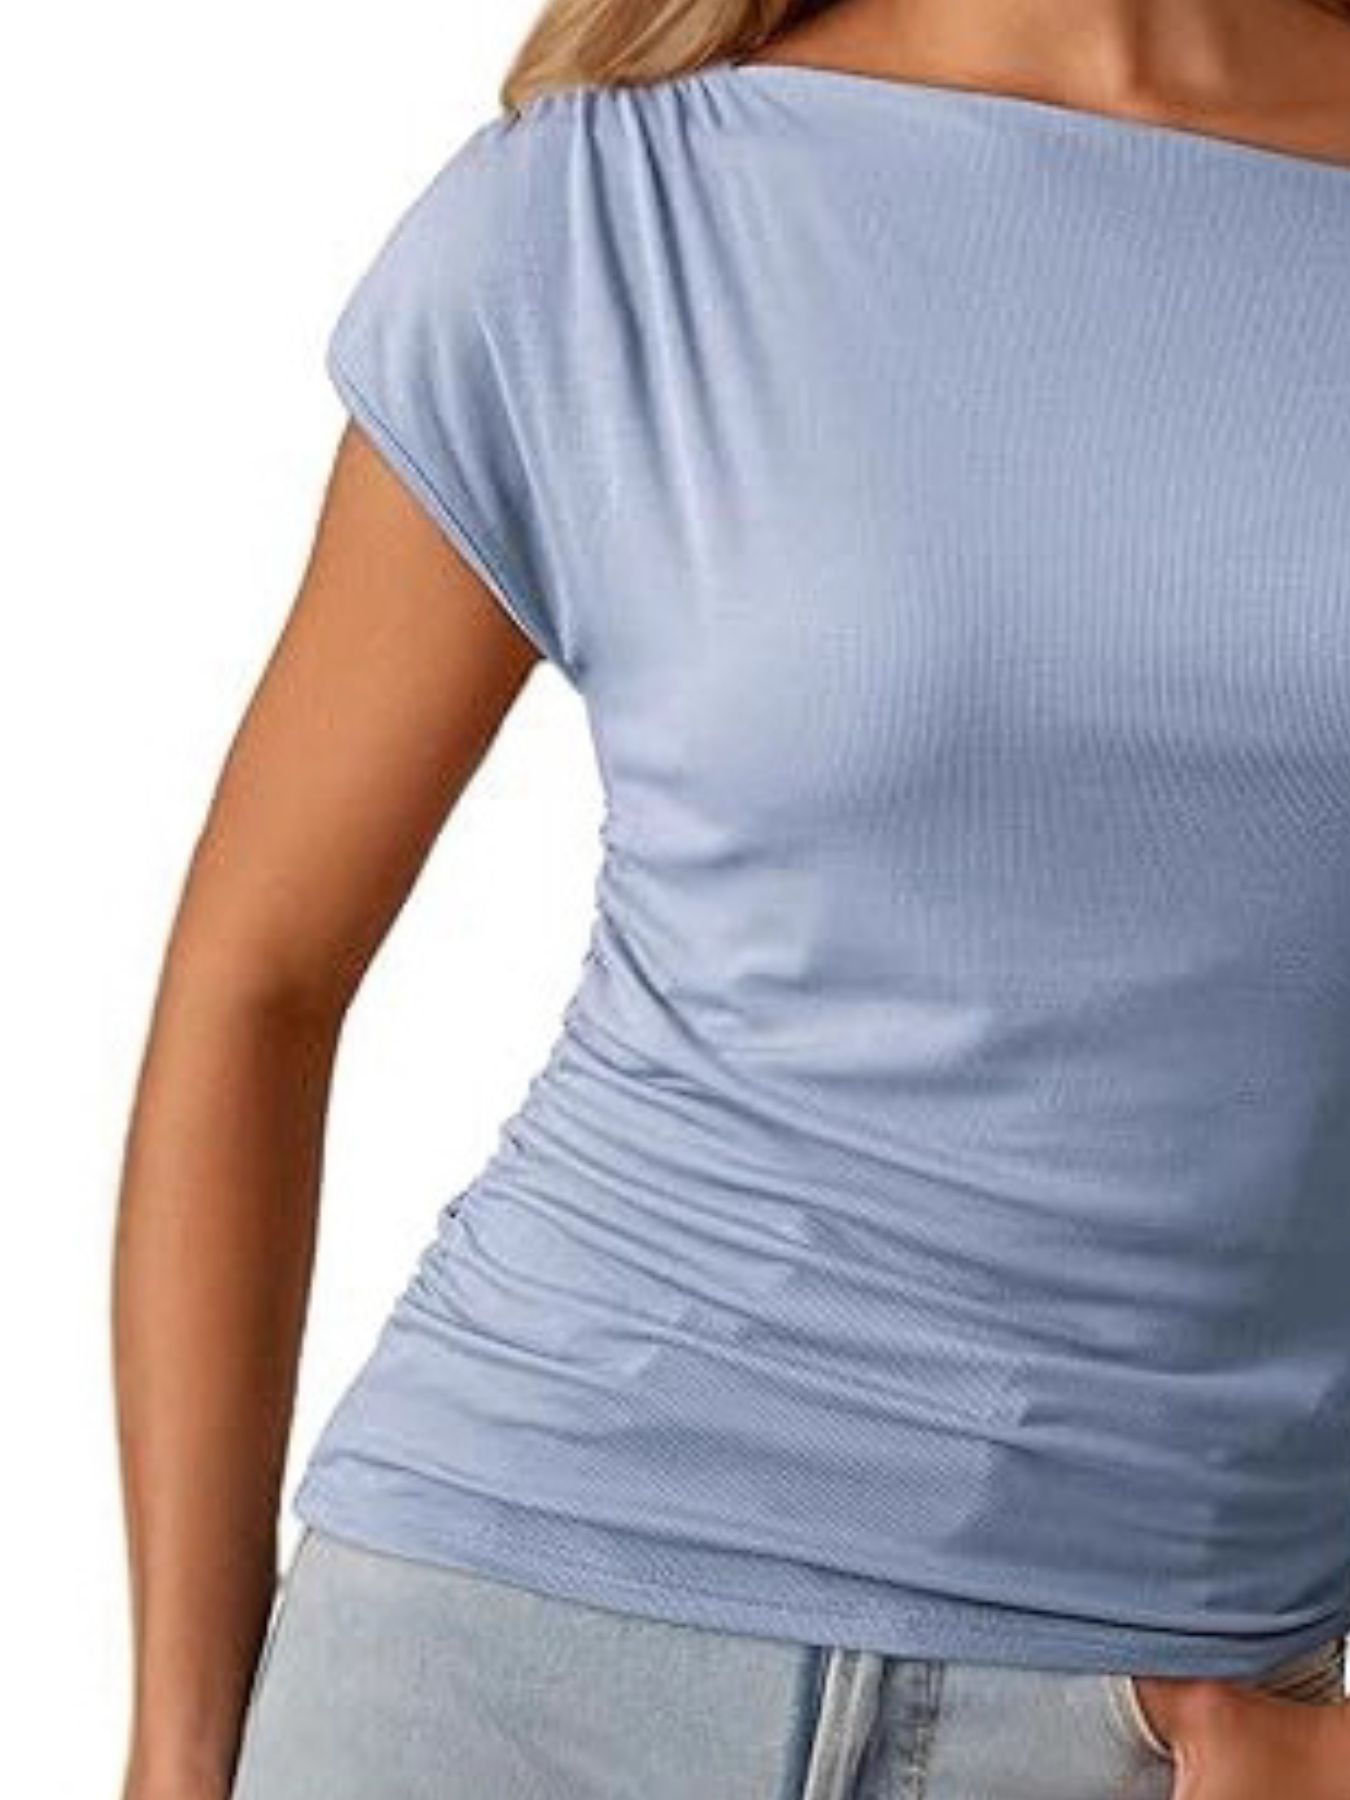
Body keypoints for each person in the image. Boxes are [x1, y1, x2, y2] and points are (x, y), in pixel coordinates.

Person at [112, 0, 1350, 1795]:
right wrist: (176, 1754)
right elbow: (260, 979)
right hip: (498, 1660)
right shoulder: (609, 210)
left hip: (1159, 1712)